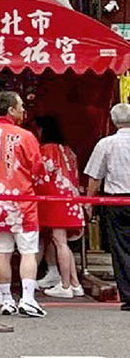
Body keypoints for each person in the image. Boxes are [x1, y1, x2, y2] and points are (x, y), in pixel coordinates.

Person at [0, 91, 45, 317]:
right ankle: (28, 298)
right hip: (22, 201)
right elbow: (38, 169)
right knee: (27, 252)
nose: (24, 110)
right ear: (11, 110)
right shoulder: (25, 136)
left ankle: (6, 299)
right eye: (21, 106)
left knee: (2, 252)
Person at [82, 101, 130, 310]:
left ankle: (128, 295)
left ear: (113, 121)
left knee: (120, 248)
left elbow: (95, 177)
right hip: (118, 199)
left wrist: (90, 203)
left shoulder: (106, 144)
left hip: (116, 201)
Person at [33, 115, 84, 299]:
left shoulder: (47, 149)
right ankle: (75, 283)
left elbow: (40, 174)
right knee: (62, 243)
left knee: (59, 241)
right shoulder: (68, 150)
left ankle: (65, 285)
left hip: (56, 200)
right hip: (71, 198)